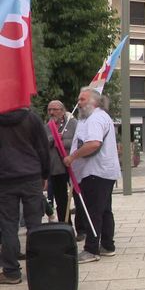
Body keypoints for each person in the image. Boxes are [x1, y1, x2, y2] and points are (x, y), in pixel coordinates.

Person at [63, 87, 121, 263]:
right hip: (100, 172)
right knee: (103, 210)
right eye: (78, 99)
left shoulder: (95, 118)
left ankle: (92, 249)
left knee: (93, 211)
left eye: (82, 100)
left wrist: (72, 157)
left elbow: (94, 143)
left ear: (93, 102)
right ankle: (107, 245)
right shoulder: (94, 117)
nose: (78, 103)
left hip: (96, 172)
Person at [0, 108, 50, 284]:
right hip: (31, 176)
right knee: (35, 224)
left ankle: (11, 271)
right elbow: (43, 148)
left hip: (5, 179)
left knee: (8, 225)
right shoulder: (31, 118)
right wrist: (45, 174)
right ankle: (37, 267)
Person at [45, 100, 86, 241]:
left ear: (62, 110)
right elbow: (43, 143)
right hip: (56, 168)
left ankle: (82, 229)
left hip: (73, 165)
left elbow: (79, 142)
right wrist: (53, 139)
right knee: (61, 201)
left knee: (78, 198)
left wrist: (62, 141)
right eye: (49, 109)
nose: (51, 112)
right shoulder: (48, 126)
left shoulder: (73, 124)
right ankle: (66, 228)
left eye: (55, 109)